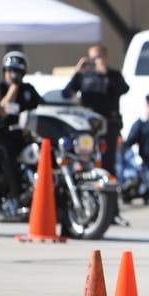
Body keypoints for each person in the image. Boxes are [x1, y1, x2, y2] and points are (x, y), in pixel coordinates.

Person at [62, 44, 130, 225]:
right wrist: (77, 72)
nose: (94, 61)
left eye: (97, 57)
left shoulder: (113, 76)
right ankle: (87, 207)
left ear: (105, 57)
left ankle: (112, 212)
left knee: (109, 168)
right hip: (88, 128)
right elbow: (66, 93)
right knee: (85, 166)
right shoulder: (84, 76)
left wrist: (104, 72)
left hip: (109, 126)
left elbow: (124, 89)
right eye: (92, 58)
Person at [0, 51, 42, 215]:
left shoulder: (28, 90)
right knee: (7, 154)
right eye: (11, 71)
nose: (14, 75)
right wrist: (13, 88)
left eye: (17, 72)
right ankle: (16, 196)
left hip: (20, 136)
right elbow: (2, 110)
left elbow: (41, 106)